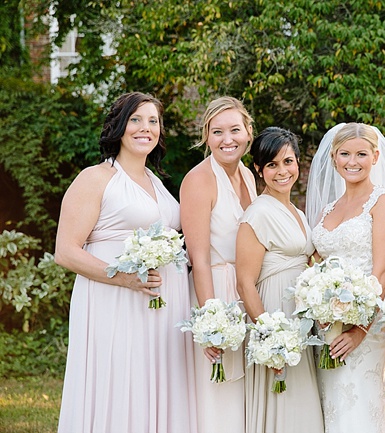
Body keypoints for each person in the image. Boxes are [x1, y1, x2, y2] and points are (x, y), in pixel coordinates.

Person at [55, 92, 197, 432]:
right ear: (119, 126)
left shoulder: (158, 184)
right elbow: (66, 250)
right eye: (136, 119)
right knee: (119, 379)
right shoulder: (96, 178)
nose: (144, 128)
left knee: (152, 381)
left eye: (153, 121)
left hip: (161, 309)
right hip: (115, 301)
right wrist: (123, 278)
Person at [307, 122, 385, 433]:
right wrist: (317, 304)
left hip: (366, 326)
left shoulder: (383, 201)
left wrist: (360, 329)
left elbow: (383, 271)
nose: (353, 161)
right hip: (326, 326)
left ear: (375, 157)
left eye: (361, 154)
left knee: (358, 404)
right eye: (345, 154)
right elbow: (315, 263)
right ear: (334, 157)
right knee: (329, 405)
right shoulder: (327, 210)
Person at [235, 127, 324, 433]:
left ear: (298, 162)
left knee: (303, 406)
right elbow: (245, 283)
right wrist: (270, 340)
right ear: (259, 169)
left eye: (287, 161)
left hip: (299, 317)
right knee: (284, 403)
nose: (282, 171)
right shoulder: (257, 214)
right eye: (272, 164)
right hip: (274, 315)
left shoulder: (297, 213)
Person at [179, 96, 257, 432]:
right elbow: (198, 258)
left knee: (241, 394)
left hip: (244, 293)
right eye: (217, 132)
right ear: (206, 136)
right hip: (214, 293)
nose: (228, 139)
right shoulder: (198, 180)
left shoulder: (249, 176)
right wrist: (210, 323)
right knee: (216, 391)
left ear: (248, 133)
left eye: (235, 130)